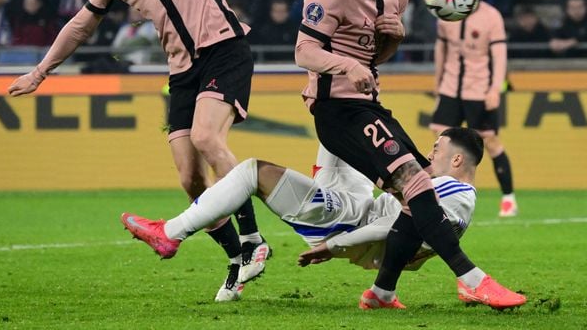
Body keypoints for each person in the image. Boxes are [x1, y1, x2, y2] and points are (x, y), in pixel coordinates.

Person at [6, 0, 269, 302]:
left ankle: (254, 240)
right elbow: (80, 26)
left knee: (207, 136)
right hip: (182, 71)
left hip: (225, 47)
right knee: (189, 177)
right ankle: (235, 259)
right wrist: (41, 69)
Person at [292, 0, 525, 309]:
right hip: (336, 111)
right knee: (415, 182)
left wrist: (394, 40)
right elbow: (304, 52)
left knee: (418, 189)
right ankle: (472, 279)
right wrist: (346, 67)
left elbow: (375, 56)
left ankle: (382, 292)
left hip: (368, 106)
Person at [121, 127, 483, 309]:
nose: (430, 153)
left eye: (437, 149)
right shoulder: (453, 194)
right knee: (340, 124)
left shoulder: (454, 192)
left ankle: (171, 232)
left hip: (349, 222)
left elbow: (397, 226)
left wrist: (334, 245)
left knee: (251, 172)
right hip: (361, 206)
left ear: (456, 160)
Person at [430, 0, 518, 217]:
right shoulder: (446, 13)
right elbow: (441, 50)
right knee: (440, 141)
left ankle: (508, 199)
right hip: (450, 87)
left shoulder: (492, 17)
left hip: (479, 90)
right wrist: (438, 85)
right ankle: (439, 196)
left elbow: (499, 56)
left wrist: (495, 89)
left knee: (490, 142)